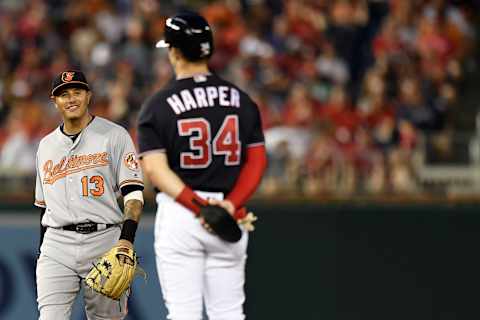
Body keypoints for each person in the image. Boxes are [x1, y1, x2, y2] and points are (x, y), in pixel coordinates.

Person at [137, 11, 267, 320]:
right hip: (229, 212)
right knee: (229, 314)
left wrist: (199, 207)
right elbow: (258, 160)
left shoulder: (158, 105)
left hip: (183, 212)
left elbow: (155, 169)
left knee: (184, 314)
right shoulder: (241, 99)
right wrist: (228, 206)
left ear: (175, 51)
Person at [34, 70, 145, 319]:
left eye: (77, 92)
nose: (71, 99)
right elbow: (44, 206)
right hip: (57, 244)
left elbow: (134, 194)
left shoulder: (115, 135)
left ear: (88, 96)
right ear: (55, 101)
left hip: (105, 241)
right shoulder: (46, 146)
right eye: (64, 94)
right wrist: (43, 249)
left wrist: (126, 239)